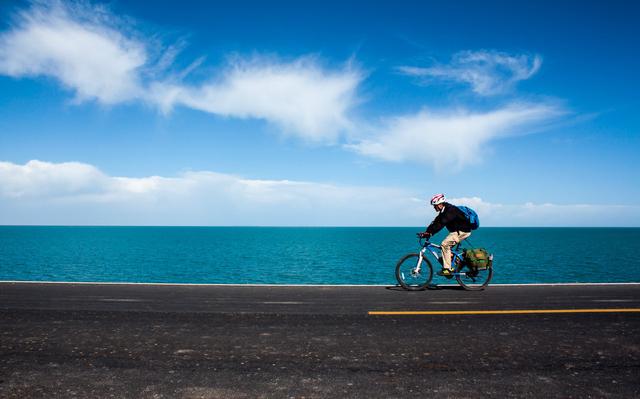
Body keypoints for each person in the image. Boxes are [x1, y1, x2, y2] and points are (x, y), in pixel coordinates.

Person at [418, 194, 472, 276]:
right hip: (457, 231)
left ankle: (447, 269)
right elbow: (435, 222)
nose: (434, 208)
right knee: (444, 249)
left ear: (440, 204)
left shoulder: (450, 210)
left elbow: (441, 223)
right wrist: (427, 232)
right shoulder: (443, 211)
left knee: (445, 244)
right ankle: (458, 263)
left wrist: (431, 233)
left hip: (462, 231)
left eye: (435, 206)